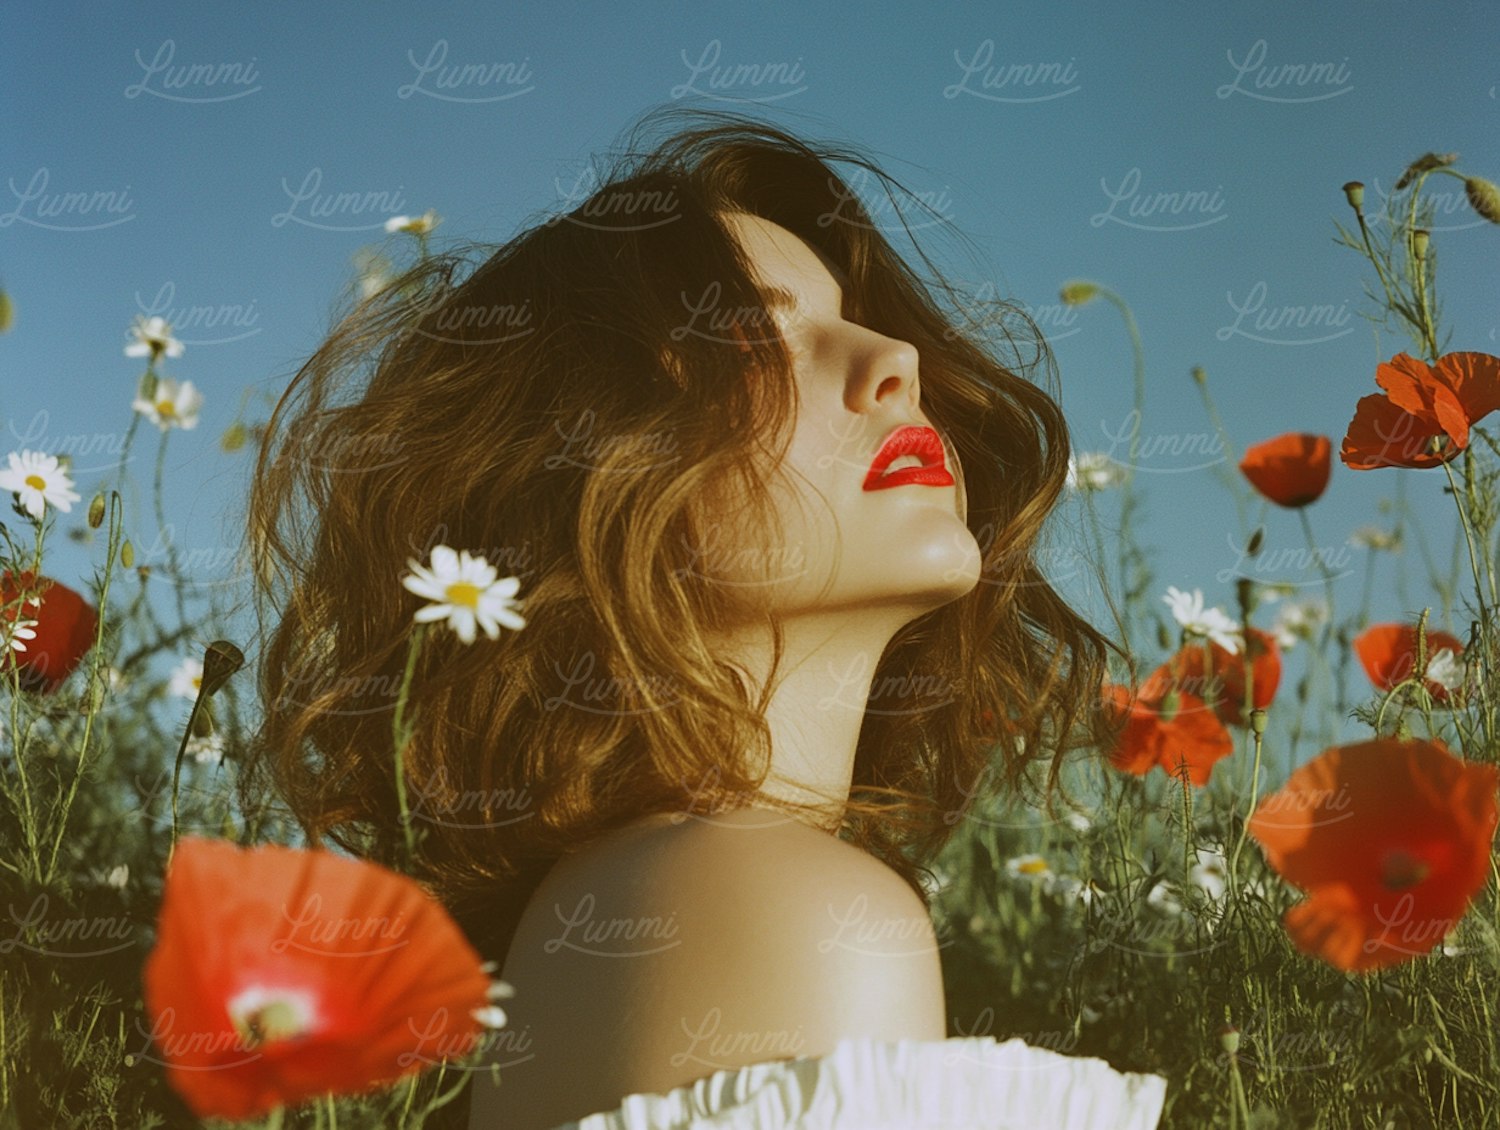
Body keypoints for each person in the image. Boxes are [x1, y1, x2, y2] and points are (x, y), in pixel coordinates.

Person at [239, 107, 1165, 1129]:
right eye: (752, 332)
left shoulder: (631, 903)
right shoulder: (773, 902)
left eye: (856, 315)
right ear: (586, 465)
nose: (895, 356)